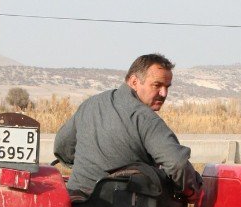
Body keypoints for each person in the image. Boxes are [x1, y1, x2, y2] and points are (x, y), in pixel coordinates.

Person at [54, 53, 202, 199]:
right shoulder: (146, 119)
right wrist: (190, 192)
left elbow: (61, 147)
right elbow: (177, 163)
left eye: (167, 87)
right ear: (134, 81)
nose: (163, 93)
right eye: (157, 85)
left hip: (76, 206)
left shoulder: (90, 104)